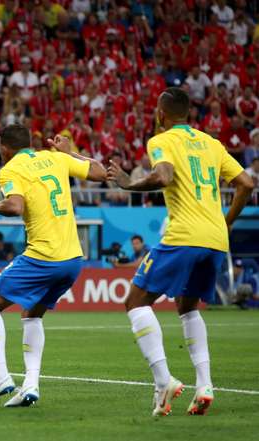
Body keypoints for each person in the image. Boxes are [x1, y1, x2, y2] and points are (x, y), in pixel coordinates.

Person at [107, 87, 254, 416]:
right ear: (188, 113)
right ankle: (204, 384)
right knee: (187, 308)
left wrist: (129, 184)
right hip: (215, 238)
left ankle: (163, 382)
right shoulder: (212, 144)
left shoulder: (161, 141)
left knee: (135, 302)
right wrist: (226, 221)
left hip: (184, 234)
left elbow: (164, 175)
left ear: (161, 113)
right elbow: (246, 183)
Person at [0, 126, 106, 408]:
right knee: (32, 315)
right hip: (72, 260)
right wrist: (71, 152)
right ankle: (30, 385)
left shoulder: (9, 170)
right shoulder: (55, 157)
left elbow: (14, 207)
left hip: (43, 256)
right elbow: (101, 173)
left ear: (4, 147)